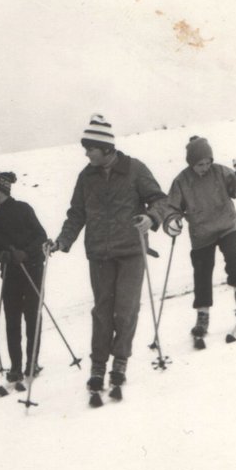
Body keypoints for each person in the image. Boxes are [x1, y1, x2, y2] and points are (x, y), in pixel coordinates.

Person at [49, 114, 177, 395]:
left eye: (90, 148)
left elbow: (160, 199)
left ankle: (120, 362)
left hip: (132, 250)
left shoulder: (134, 169)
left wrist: (151, 218)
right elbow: (77, 213)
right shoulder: (86, 176)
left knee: (126, 310)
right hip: (99, 254)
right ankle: (98, 365)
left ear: (105, 148)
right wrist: (62, 241)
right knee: (102, 312)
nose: (86, 153)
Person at [165, 136, 236, 337]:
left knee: (234, 259)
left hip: (226, 226)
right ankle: (202, 317)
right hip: (201, 233)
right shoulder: (181, 181)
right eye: (200, 164)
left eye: (208, 162)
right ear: (191, 163)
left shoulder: (221, 172)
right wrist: (172, 220)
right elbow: (171, 207)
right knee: (202, 273)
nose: (205, 167)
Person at [0, 171, 49, 389]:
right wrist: (0, 254)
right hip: (10, 272)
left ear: (1, 192)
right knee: (12, 320)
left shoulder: (23, 208)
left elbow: (41, 236)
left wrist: (26, 253)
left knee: (32, 317)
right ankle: (15, 365)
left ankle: (32, 362)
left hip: (32, 270)